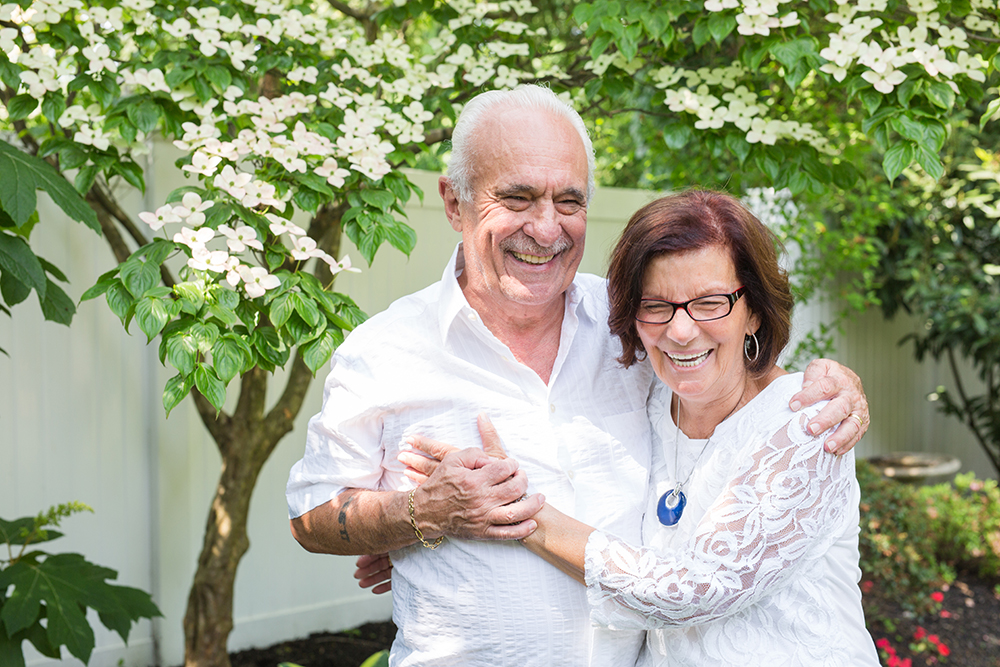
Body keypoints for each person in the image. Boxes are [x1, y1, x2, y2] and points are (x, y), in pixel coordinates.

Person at [286, 85, 870, 667]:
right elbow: (313, 516)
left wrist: (827, 383)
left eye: (569, 201)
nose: (546, 229)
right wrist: (421, 516)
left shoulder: (628, 327)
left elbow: (729, 383)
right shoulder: (386, 350)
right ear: (454, 201)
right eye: (516, 197)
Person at [406, 190, 880, 666]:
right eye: (656, 305)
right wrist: (423, 544)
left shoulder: (810, 424)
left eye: (710, 303)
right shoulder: (650, 399)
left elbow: (694, 590)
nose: (680, 330)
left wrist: (518, 512)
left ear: (753, 308)